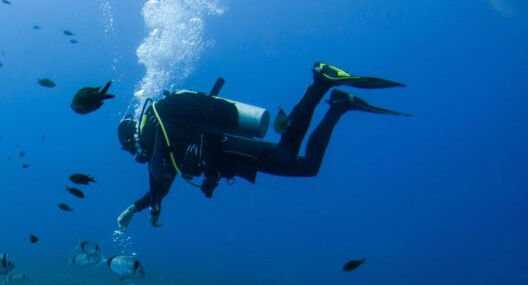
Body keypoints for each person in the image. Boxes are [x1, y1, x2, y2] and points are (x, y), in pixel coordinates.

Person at [115, 62, 408, 230]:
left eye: (130, 149)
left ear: (131, 139)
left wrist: (148, 209)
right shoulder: (165, 134)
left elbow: (157, 174)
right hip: (230, 155)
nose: (134, 154)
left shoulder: (154, 130)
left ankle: (320, 83)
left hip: (229, 147)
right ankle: (339, 106)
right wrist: (139, 207)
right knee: (307, 167)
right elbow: (164, 181)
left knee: (288, 157)